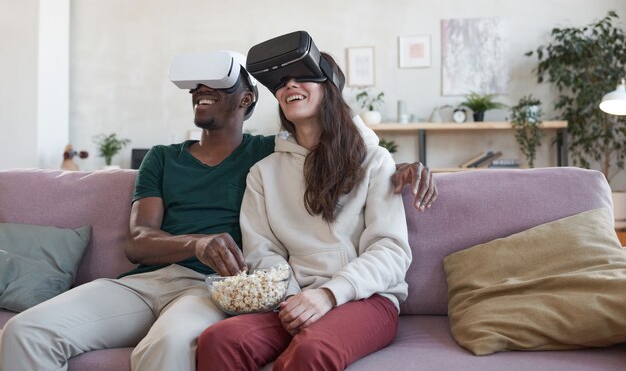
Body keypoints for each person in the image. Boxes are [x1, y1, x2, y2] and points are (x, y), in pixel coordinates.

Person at [0, 50, 436, 371]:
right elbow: (138, 242)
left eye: (217, 87)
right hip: (145, 283)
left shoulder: (270, 153)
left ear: (247, 99)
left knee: (169, 346)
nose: (202, 93)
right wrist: (197, 243)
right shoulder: (166, 158)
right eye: (196, 88)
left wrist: (396, 166)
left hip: (214, 289)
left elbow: (329, 148)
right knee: (24, 330)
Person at [196, 32, 415, 371]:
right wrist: (292, 299)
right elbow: (261, 251)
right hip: (291, 299)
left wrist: (329, 295)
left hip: (366, 298)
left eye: (303, 75)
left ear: (330, 87)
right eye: (281, 82)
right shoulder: (262, 173)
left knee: (311, 351)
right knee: (220, 340)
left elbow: (390, 250)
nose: (289, 85)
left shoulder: (374, 161)